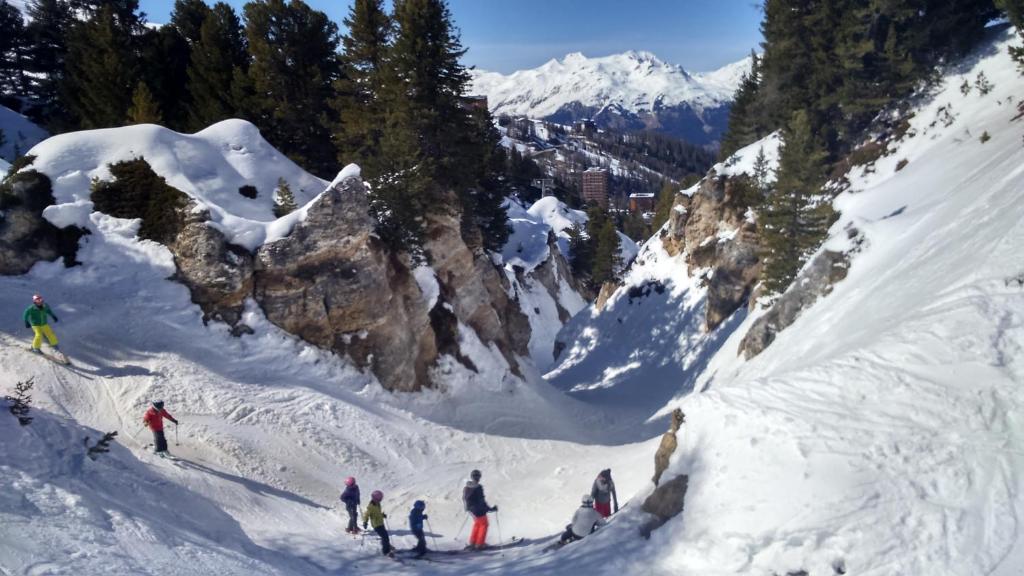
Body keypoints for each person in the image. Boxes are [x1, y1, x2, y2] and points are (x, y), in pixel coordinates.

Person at [462, 469, 497, 550]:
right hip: (478, 509)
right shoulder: (478, 487)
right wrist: (490, 509)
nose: (478, 478)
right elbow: (481, 501)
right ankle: (480, 544)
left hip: (471, 510)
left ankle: (473, 542)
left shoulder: (467, 487)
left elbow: (464, 498)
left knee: (477, 524)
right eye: (478, 476)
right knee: (484, 524)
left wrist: (468, 508)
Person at [23, 294, 63, 359]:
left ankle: (54, 344)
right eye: (37, 300)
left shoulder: (45, 306)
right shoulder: (31, 308)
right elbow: (25, 314)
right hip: (35, 324)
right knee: (39, 335)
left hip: (44, 324)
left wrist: (53, 316)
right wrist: (26, 321)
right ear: (34, 301)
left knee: (50, 333)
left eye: (40, 299)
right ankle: (35, 348)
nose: (40, 301)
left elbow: (49, 311)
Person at [363, 490, 393, 557]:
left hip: (381, 523)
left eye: (381, 499)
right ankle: (386, 551)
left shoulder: (378, 504)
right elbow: (366, 514)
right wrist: (365, 522)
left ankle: (386, 545)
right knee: (385, 537)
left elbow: (377, 513)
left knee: (385, 536)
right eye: (379, 499)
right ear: (375, 499)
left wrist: (382, 515)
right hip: (376, 525)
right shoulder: (371, 507)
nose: (380, 501)